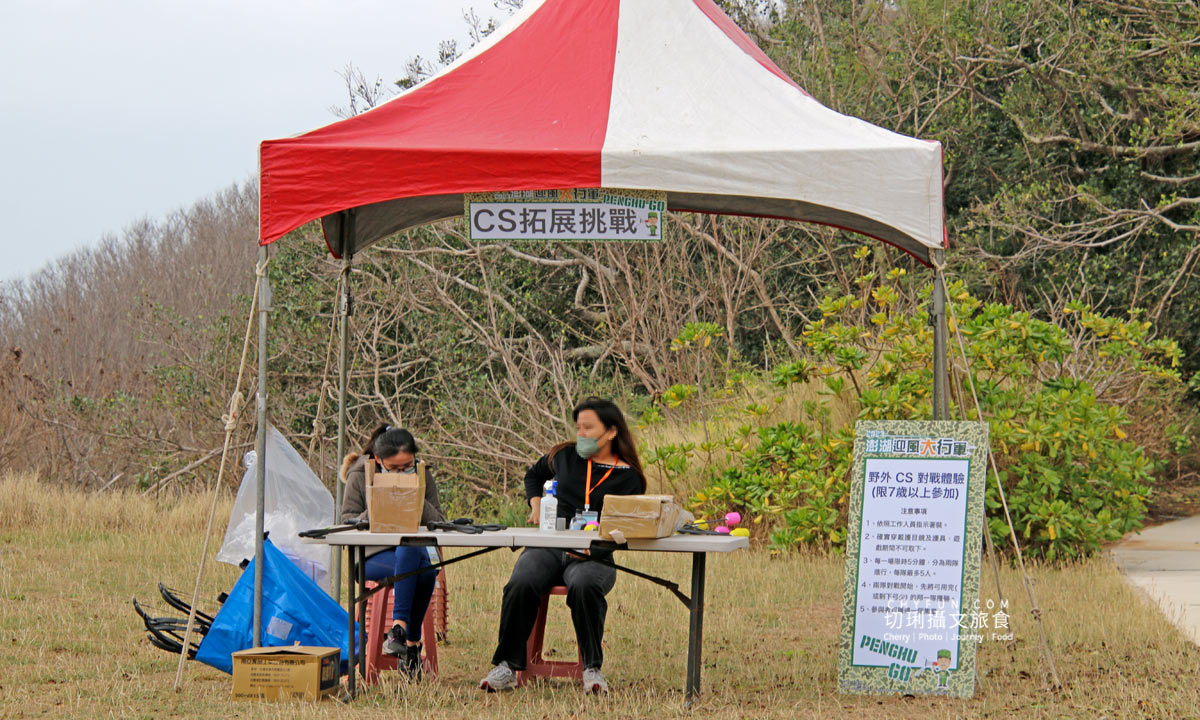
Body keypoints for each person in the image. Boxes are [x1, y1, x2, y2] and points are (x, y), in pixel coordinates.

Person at [479, 397, 646, 695]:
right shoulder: (565, 456)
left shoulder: (630, 478)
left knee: (584, 585)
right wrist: (535, 504)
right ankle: (506, 665)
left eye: (588, 428)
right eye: (578, 427)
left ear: (610, 432)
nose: (580, 434)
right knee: (522, 580)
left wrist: (592, 550)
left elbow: (626, 530)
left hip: (595, 556)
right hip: (549, 547)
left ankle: (592, 669)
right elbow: (533, 475)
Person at [341, 425, 444, 678]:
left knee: (417, 556)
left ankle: (400, 633)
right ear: (378, 459)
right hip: (374, 555)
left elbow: (440, 519)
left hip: (416, 552)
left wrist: (415, 496)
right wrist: (380, 505)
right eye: (394, 468)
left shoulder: (422, 473)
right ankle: (411, 643)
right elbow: (346, 521)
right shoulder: (359, 474)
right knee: (421, 565)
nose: (402, 472)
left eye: (407, 466)